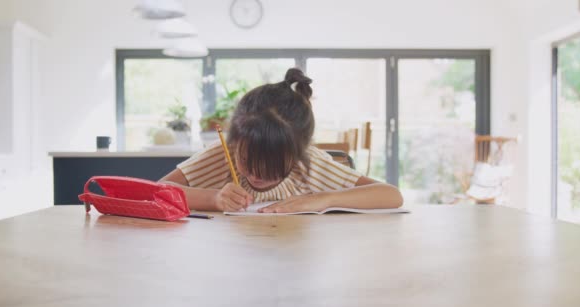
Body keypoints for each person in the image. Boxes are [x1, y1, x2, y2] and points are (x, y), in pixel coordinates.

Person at [160, 68, 403, 213]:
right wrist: (212, 199)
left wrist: (323, 200)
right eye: (245, 160)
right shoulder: (224, 153)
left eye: (271, 167)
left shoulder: (310, 165)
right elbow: (157, 191)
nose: (255, 175)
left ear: (298, 155)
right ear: (235, 143)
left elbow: (391, 195)